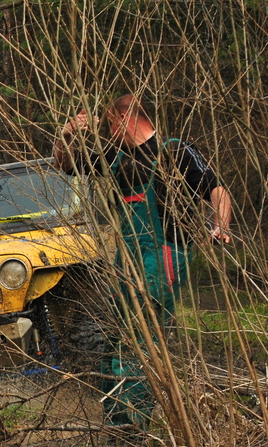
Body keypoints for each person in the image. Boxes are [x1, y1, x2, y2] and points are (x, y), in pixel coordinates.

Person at [53, 95, 233, 424]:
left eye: (109, 125)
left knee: (138, 338)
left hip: (163, 257)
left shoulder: (175, 151)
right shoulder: (118, 159)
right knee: (113, 338)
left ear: (124, 119)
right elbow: (65, 165)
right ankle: (117, 422)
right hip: (128, 259)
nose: (107, 132)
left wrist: (220, 225)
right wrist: (66, 136)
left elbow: (218, 190)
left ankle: (131, 427)